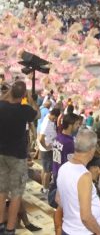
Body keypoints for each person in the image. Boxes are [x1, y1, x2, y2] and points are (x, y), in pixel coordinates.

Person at [56, 128, 100, 235]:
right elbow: (86, 217)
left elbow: (58, 199)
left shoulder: (63, 168)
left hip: (68, 229)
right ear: (92, 149)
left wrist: (73, 210)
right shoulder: (84, 176)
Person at [0, 80, 39, 235]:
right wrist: (29, 98)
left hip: (1, 154)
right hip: (17, 157)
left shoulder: (1, 106)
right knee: (16, 194)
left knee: (1, 191)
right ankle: (10, 229)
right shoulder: (25, 110)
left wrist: (10, 93)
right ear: (23, 95)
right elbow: (38, 113)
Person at [38, 107, 61, 195]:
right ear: (52, 115)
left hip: (46, 148)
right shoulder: (47, 123)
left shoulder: (48, 117)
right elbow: (41, 138)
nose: (55, 120)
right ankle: (45, 189)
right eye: (54, 118)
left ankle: (43, 186)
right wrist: (46, 147)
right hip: (46, 150)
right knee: (48, 171)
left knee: (44, 169)